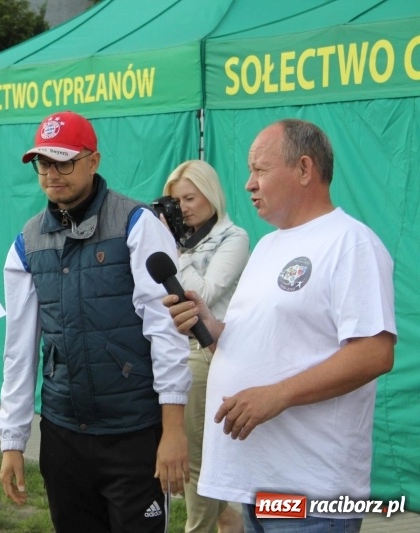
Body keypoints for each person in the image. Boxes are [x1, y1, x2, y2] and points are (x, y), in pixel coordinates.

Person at [166, 119, 396, 532]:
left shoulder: (350, 243)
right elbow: (254, 344)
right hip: (259, 485)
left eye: (260, 169)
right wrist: (210, 328)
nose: (248, 184)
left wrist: (278, 395)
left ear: (305, 169)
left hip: (311, 493)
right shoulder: (269, 244)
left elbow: (374, 352)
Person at [0, 110, 191, 532]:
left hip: (134, 433)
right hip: (64, 436)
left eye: (63, 161)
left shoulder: (138, 223)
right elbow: (19, 350)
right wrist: (12, 441)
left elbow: (167, 333)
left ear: (93, 160)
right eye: (42, 163)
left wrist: (172, 431)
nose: (51, 173)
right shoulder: (26, 244)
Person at [161, 160, 248, 533]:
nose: (182, 208)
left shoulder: (234, 238)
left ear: (211, 194)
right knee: (188, 449)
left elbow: (207, 296)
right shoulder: (176, 240)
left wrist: (173, 253)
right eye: (175, 201)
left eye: (190, 198)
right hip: (170, 349)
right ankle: (226, 518)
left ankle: (199, 527)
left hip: (206, 350)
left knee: (194, 455)